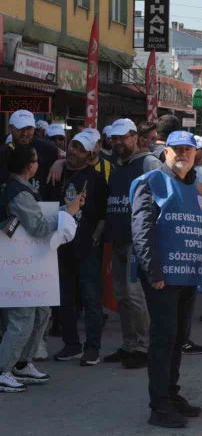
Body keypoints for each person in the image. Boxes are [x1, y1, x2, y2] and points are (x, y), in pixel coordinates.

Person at [130, 131, 202, 428]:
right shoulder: (151, 181)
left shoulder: (192, 185)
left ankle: (171, 395)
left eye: (188, 149)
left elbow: (200, 218)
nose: (183, 154)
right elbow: (142, 228)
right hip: (163, 278)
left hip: (187, 275)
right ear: (166, 152)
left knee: (178, 339)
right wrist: (153, 272)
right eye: (177, 149)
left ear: (196, 154)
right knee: (163, 341)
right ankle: (159, 406)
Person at [0, 144, 83, 392]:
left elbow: (37, 218)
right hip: (19, 270)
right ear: (30, 166)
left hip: (29, 268)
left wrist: (66, 210)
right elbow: (38, 227)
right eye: (36, 160)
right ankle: (3, 369)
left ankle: (21, 363)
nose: (38, 164)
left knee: (41, 313)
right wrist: (68, 213)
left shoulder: (21, 189)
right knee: (22, 318)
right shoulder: (19, 193)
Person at [103, 118, 162, 369]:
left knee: (134, 295)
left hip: (137, 241)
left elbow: (163, 196)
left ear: (135, 137)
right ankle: (129, 344)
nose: (118, 143)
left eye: (123, 138)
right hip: (118, 238)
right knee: (122, 295)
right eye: (114, 139)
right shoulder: (117, 165)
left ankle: (143, 347)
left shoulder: (148, 163)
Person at [46, 131, 108, 366]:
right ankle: (71, 344)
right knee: (65, 298)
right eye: (73, 146)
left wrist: (95, 238)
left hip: (87, 246)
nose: (74, 152)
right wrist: (59, 162)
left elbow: (103, 215)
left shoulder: (97, 179)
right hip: (61, 246)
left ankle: (92, 348)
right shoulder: (57, 173)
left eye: (81, 150)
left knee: (91, 298)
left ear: (90, 155)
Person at [0, 110, 59, 195]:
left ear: (34, 129)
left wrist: (61, 162)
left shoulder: (47, 149)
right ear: (10, 128)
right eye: (20, 129)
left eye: (29, 128)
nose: (24, 133)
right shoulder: (3, 153)